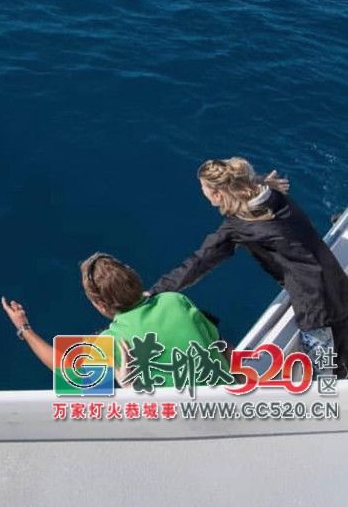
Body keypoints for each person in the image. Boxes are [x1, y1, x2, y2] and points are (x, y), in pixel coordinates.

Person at [149, 157, 348, 378]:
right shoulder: (274, 196)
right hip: (337, 284)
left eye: (203, 188)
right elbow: (254, 185)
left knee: (323, 376)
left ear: (217, 194)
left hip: (314, 306)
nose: (203, 193)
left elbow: (199, 262)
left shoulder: (239, 227)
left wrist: (157, 290)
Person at [2, 252, 226, 388]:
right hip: (228, 404)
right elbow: (219, 345)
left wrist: (24, 328)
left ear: (100, 305)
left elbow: (64, 369)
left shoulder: (111, 342)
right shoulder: (175, 301)